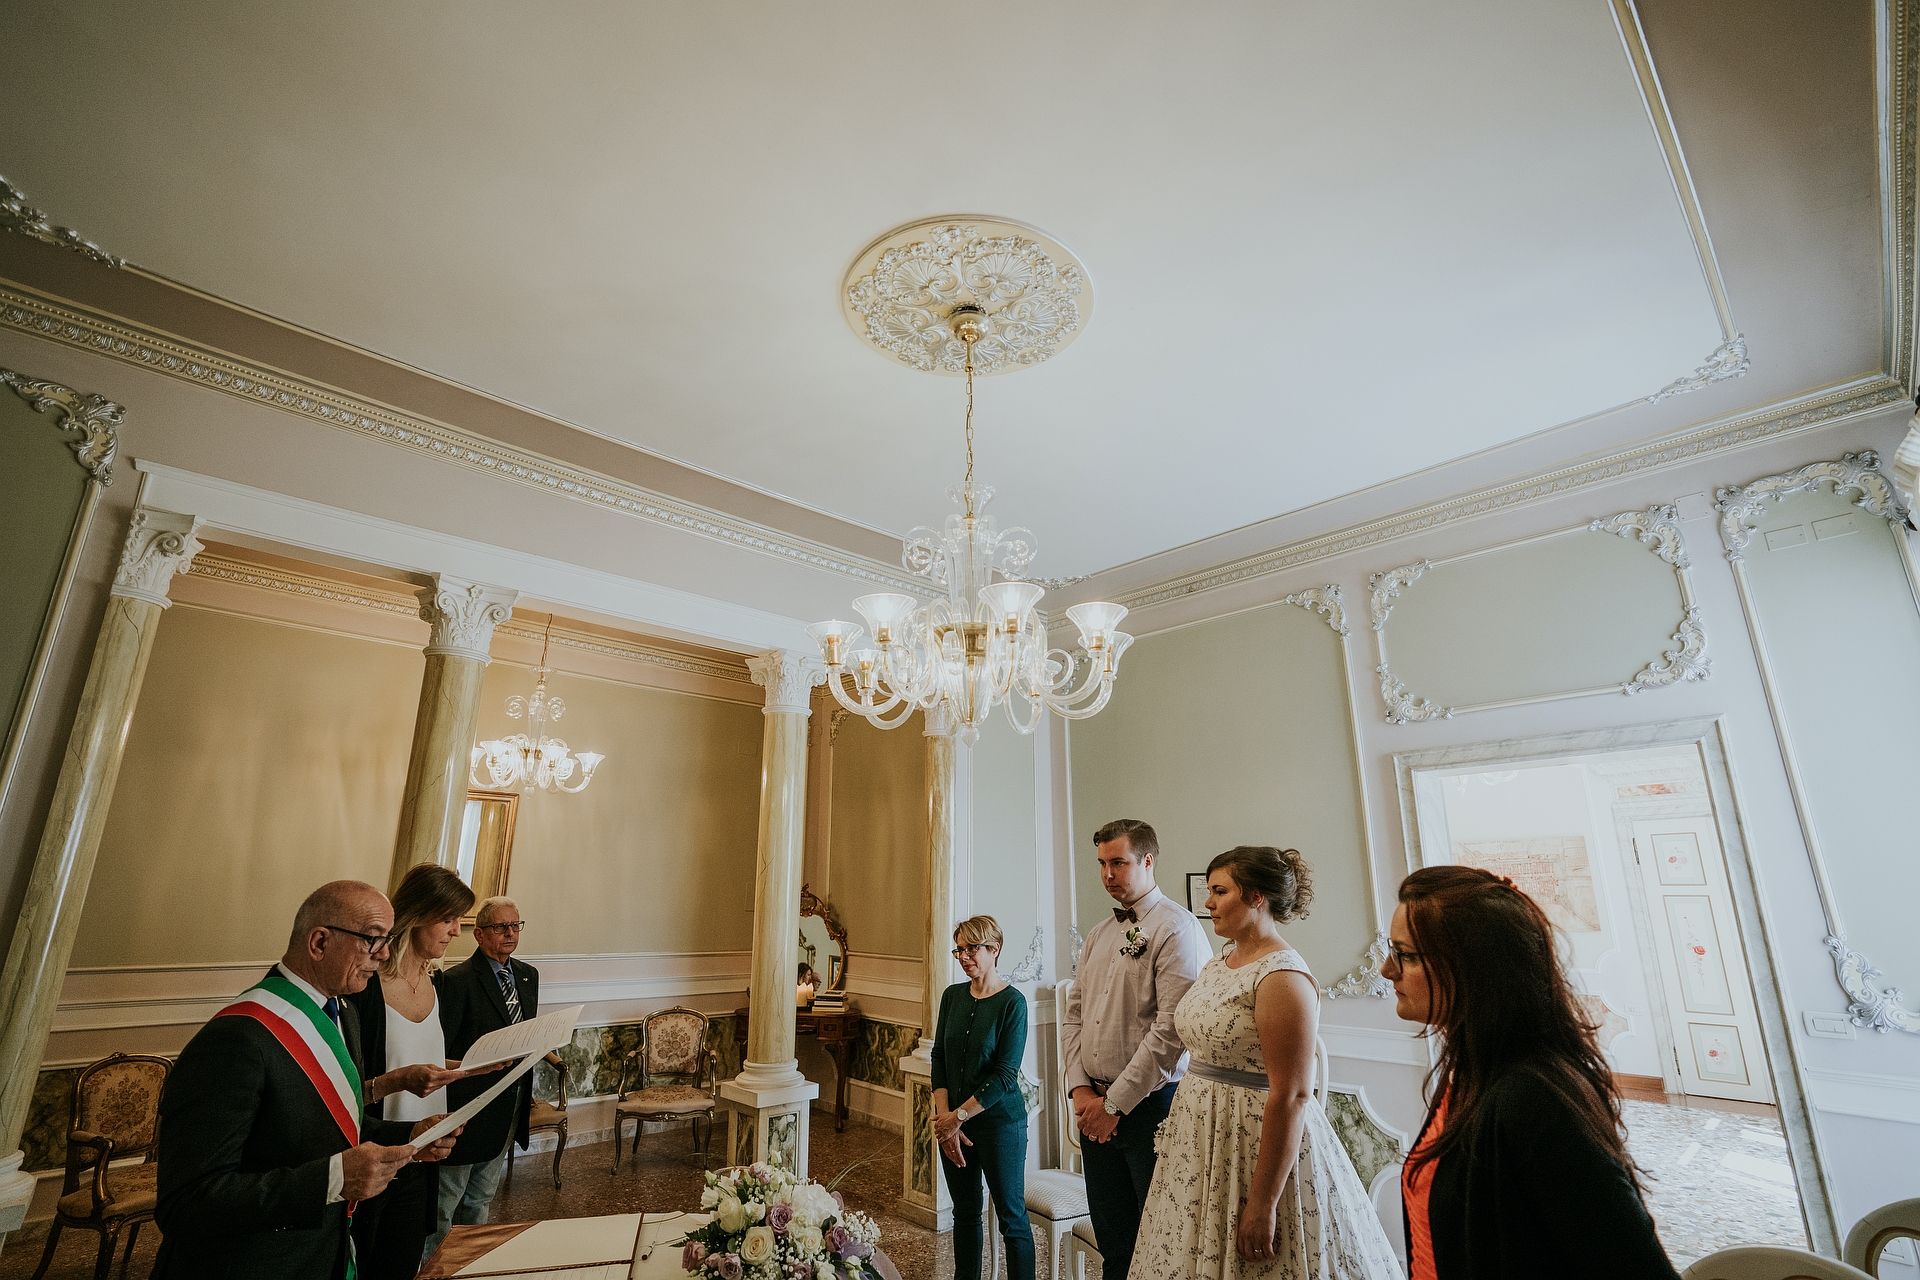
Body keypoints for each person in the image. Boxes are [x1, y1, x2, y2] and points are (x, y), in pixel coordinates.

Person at [1383, 866, 1682, 1280]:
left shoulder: (1533, 1100)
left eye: (1406, 955)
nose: (1386, 969)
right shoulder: (1474, 1070)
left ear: (1474, 968)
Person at [152, 881, 462, 1279]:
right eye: (373, 940)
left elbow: (337, 1128)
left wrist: (411, 1135)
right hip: (255, 1264)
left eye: (386, 940)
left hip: (322, 1251)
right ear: (319, 942)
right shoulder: (236, 1039)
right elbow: (185, 1203)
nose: (383, 954)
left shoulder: (342, 1012)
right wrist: (333, 1180)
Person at [1132, 847, 1402, 1279]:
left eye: (1220, 891)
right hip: (1200, 1134)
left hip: (1252, 1139)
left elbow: (1293, 1094)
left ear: (1257, 897)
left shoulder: (1283, 977)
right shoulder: (1222, 960)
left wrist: (1262, 1204)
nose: (1208, 902)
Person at [1061, 818, 1209, 1279]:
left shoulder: (1176, 929)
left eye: (1118, 862)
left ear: (1148, 861)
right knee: (1114, 1239)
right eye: (1102, 863)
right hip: (1094, 1105)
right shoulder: (1100, 933)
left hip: (1151, 1109)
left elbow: (1171, 1033)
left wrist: (1115, 1104)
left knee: (1157, 1240)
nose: (1107, 873)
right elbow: (1074, 1017)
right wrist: (1082, 1091)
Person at [345, 864, 498, 1278]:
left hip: (425, 1150)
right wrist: (396, 1082)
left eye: (459, 921)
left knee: (403, 1262)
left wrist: (468, 1067)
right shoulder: (366, 988)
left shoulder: (437, 984)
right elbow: (340, 1089)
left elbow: (421, 1057)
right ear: (416, 915)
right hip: (376, 1153)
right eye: (448, 919)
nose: (455, 932)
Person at [431, 895, 540, 1254]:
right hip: (468, 1105)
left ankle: (469, 1261)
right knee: (445, 1202)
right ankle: (435, 1268)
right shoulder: (457, 981)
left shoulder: (527, 975)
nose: (510, 933)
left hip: (509, 1102)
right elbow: (442, 1046)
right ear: (478, 934)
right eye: (500, 927)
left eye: (515, 925)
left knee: (481, 1197)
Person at [931, 915, 1034, 1280]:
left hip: (998, 1125)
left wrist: (957, 1118)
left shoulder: (1013, 1003)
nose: (964, 956)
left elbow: (1005, 1076)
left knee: (1012, 1217)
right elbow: (939, 1057)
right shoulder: (951, 996)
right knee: (966, 1212)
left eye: (972, 948)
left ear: (995, 949)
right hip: (952, 1124)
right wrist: (945, 1123)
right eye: (959, 949)